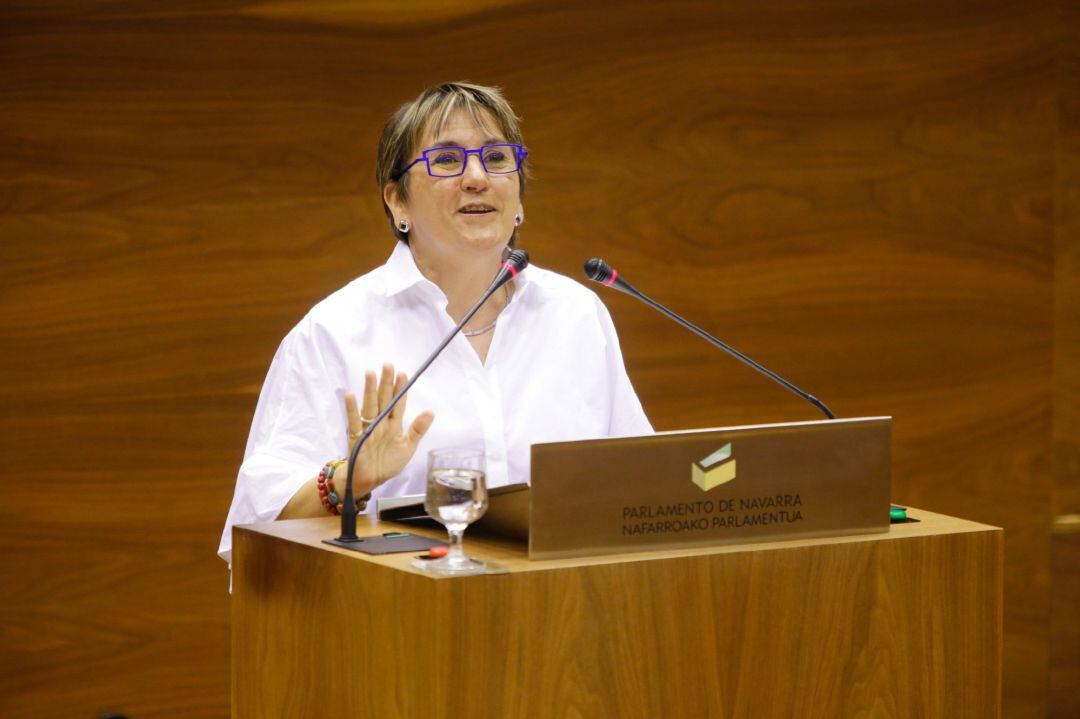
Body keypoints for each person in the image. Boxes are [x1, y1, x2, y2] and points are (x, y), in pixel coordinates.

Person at [218, 82, 652, 566]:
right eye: (445, 161)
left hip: (567, 618)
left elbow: (639, 488)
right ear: (397, 203)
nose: (476, 178)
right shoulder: (333, 334)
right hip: (405, 624)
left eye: (495, 158)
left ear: (520, 197)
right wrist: (350, 481)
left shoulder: (576, 314)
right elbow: (255, 526)